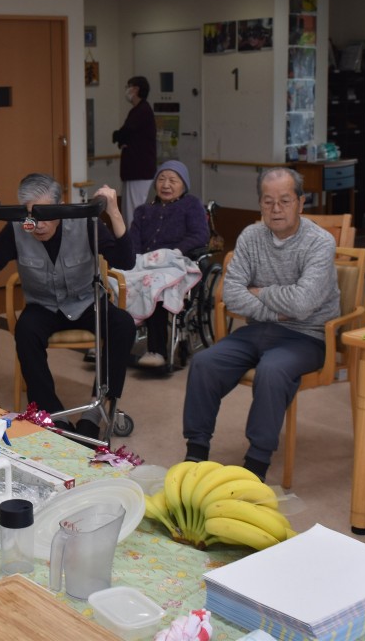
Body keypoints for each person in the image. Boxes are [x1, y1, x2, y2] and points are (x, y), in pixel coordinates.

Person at [182, 167, 339, 481]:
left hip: (307, 336)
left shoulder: (320, 242)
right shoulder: (251, 236)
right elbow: (231, 294)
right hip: (256, 331)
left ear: (301, 202)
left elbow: (303, 304)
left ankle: (256, 463)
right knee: (203, 363)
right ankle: (196, 450)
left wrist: (260, 292)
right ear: (260, 204)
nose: (276, 209)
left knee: (272, 370)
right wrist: (277, 312)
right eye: (268, 201)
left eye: (285, 200)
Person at [0, 174, 135, 437]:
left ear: (60, 206)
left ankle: (96, 409)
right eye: (31, 215)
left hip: (86, 301)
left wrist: (114, 211)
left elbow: (126, 261)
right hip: (43, 306)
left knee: (123, 325)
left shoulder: (84, 222)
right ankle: (52, 415)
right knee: (26, 331)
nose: (38, 224)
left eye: (46, 215)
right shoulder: (19, 228)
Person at [127, 160, 210, 367]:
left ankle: (156, 351)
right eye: (161, 179)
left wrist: (176, 251)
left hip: (175, 262)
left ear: (184, 185)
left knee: (153, 286)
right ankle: (111, 342)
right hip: (144, 263)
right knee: (116, 281)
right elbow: (133, 241)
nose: (166, 185)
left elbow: (200, 235)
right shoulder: (143, 211)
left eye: (173, 180)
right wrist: (134, 260)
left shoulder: (191, 205)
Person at [112, 76, 157, 228]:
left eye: (128, 86)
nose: (126, 90)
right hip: (135, 170)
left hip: (139, 170)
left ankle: (134, 241)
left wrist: (119, 137)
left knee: (133, 212)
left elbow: (124, 132)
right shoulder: (139, 110)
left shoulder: (142, 111)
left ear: (136, 89)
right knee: (129, 211)